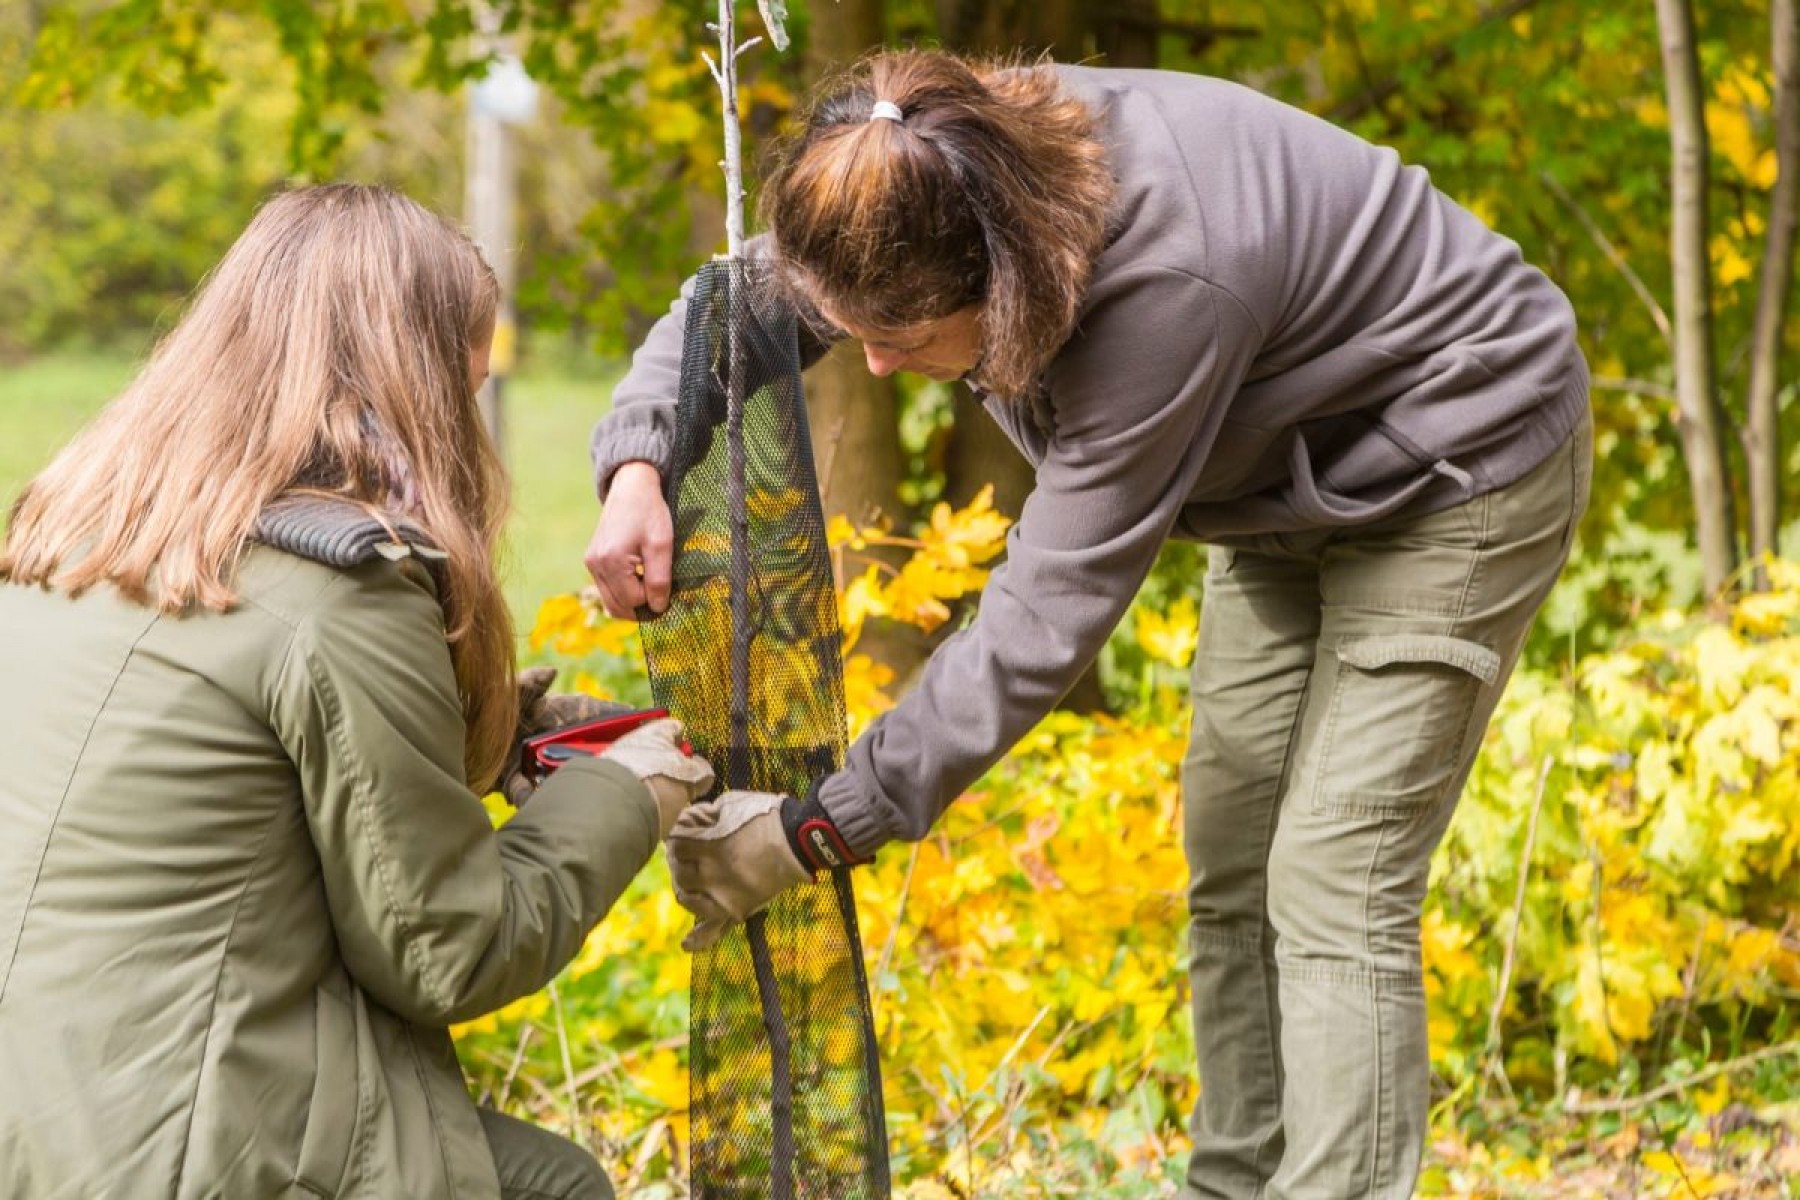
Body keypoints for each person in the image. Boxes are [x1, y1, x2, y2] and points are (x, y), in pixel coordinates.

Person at [587, 50, 1591, 1199]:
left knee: (1334, 874)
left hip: (1457, 463)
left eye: (906, 341)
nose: (873, 361)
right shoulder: (906, 169)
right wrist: (638, 463)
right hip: (1280, 485)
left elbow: (1042, 621)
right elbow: (728, 305)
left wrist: (817, 829)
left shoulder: (1164, 288)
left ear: (1004, 285)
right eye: (854, 329)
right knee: (1230, 854)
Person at [0, 184, 714, 1200]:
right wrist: (633, 787)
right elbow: (447, 951)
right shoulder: (345, 586)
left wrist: (490, 726)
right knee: (554, 1186)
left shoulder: (84, 535)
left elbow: (231, 763)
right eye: (462, 394)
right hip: (168, 1156)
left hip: (41, 1105)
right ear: (411, 383)